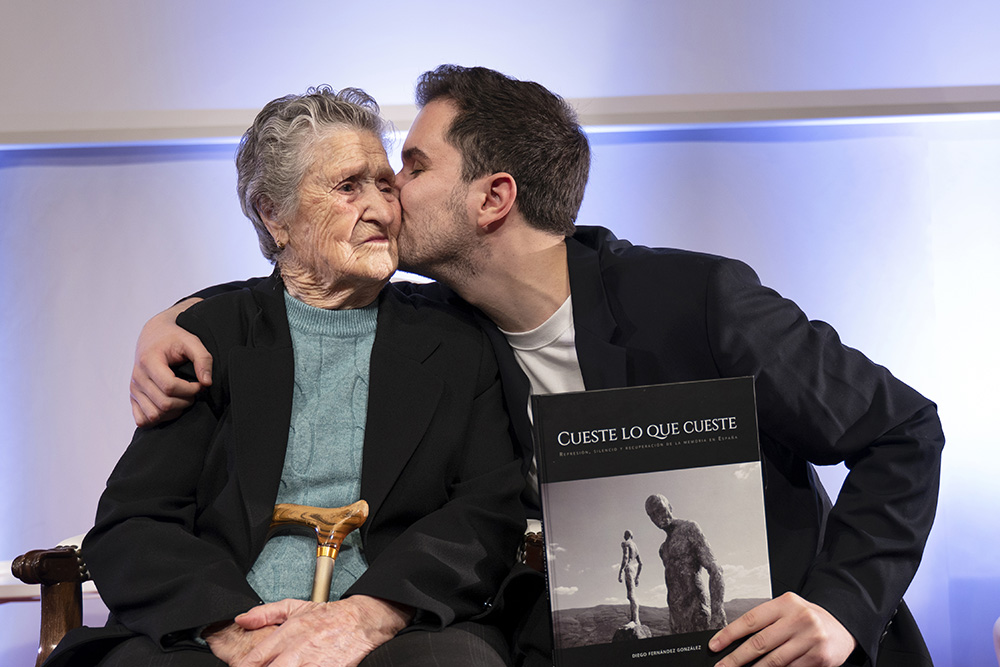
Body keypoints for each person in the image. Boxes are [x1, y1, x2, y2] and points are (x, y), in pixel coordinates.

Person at [129, 65, 945, 667]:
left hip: (775, 648)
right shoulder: (450, 329)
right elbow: (298, 292)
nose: (387, 194)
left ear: (493, 199)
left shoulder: (698, 300)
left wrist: (841, 607)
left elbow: (904, 429)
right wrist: (171, 320)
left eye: (411, 167)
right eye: (366, 179)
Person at [45, 86, 525, 667]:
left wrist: (368, 615)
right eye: (348, 187)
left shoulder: (455, 339)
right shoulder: (211, 336)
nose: (381, 208)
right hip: (223, 626)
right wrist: (232, 629)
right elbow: (136, 522)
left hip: (394, 626)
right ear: (274, 215)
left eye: (385, 184)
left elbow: (486, 510)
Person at [644, 494, 726, 634]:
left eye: (661, 509)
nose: (658, 516)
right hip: (676, 619)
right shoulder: (663, 549)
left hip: (697, 611)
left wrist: (717, 612)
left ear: (670, 507)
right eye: (652, 515)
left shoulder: (689, 528)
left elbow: (715, 569)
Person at [617, 530, 643, 626]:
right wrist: (637, 577)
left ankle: (635, 620)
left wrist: (620, 572)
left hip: (628, 568)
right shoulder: (635, 546)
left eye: (624, 535)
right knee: (631, 594)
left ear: (627, 535)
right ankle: (634, 618)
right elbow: (641, 563)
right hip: (633, 569)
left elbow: (625, 557)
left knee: (631, 595)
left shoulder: (626, 543)